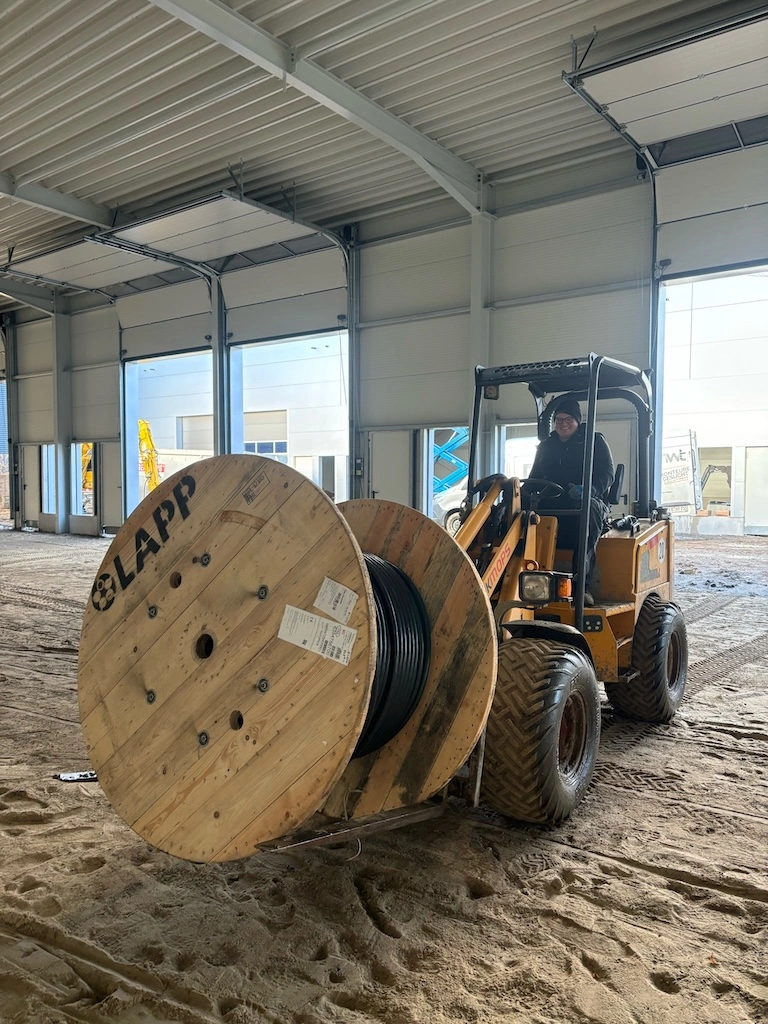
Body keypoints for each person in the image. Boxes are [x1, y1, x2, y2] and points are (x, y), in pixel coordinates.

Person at [526, 398, 614, 605]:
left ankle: (582, 586)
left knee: (589, 510)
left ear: (577, 421)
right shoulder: (546, 446)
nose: (563, 424)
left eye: (568, 419)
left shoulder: (594, 441)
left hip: (585, 499)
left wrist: (590, 490)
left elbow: (607, 473)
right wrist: (516, 496)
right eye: (559, 420)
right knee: (517, 511)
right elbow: (533, 478)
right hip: (552, 500)